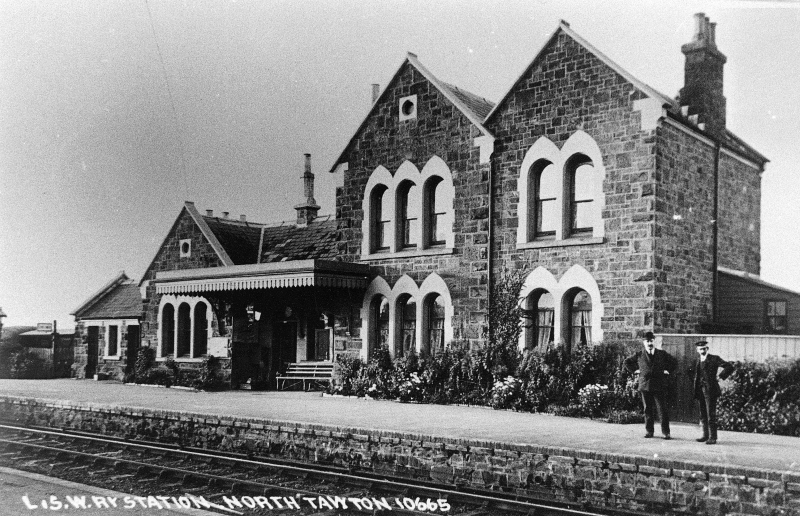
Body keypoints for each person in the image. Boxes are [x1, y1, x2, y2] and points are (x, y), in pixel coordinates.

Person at [624, 331, 676, 439]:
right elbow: (626, 362)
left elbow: (674, 362)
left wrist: (667, 370)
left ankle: (666, 432)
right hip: (645, 385)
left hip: (659, 385)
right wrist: (635, 371)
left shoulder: (661, 354)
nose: (649, 343)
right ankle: (649, 431)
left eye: (651, 341)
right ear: (644, 342)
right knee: (647, 409)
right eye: (647, 341)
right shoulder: (639, 354)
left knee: (662, 409)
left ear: (654, 341)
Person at [693, 341, 734, 445]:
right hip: (700, 390)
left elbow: (729, 366)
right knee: (703, 414)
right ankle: (705, 435)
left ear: (707, 349)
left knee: (711, 414)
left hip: (710, 390)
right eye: (700, 349)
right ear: (697, 350)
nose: (702, 350)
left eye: (704, 348)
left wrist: (720, 376)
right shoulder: (697, 360)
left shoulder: (714, 358)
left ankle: (713, 437)